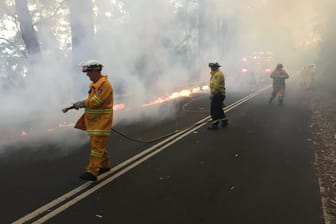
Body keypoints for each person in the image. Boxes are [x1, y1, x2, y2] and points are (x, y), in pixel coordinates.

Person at [72, 59, 114, 181]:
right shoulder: (95, 86)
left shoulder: (104, 85)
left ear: (96, 71)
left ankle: (92, 172)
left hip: (102, 122)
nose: (87, 75)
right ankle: (105, 166)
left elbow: (96, 102)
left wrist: (82, 103)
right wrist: (82, 103)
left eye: (89, 72)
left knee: (96, 147)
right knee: (98, 145)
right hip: (95, 122)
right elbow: (92, 101)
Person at [208, 62, 228, 130]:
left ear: (216, 67)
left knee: (214, 110)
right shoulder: (215, 74)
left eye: (212, 67)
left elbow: (216, 86)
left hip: (217, 94)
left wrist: (212, 94)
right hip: (220, 94)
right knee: (219, 109)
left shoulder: (217, 75)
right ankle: (224, 121)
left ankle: (215, 124)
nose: (211, 69)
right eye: (211, 67)